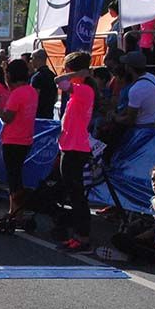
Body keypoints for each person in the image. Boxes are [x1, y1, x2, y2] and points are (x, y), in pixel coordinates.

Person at [98, 159, 155, 264]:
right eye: (153, 180)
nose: (154, 184)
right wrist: (137, 240)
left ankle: (129, 257)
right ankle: (133, 253)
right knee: (127, 236)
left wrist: (153, 199)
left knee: (119, 240)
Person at [53, 51, 98, 253]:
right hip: (69, 145)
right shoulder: (78, 92)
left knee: (77, 195)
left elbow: (59, 80)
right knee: (73, 193)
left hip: (76, 148)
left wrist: (77, 73)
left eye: (68, 68)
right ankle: (77, 235)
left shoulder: (85, 89)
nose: (65, 72)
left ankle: (83, 237)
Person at [0, 59, 38, 224]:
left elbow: (7, 118)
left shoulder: (17, 94)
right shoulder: (31, 91)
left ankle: (16, 212)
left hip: (13, 140)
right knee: (16, 176)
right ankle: (15, 211)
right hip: (26, 138)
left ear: (10, 75)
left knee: (14, 178)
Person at [115, 51, 155, 128]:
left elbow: (130, 120)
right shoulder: (152, 77)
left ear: (129, 67)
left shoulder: (136, 89)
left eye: (125, 64)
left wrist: (116, 118)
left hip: (143, 128)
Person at [30, 49, 58, 120]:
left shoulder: (37, 77)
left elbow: (33, 97)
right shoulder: (52, 75)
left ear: (38, 59)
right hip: (49, 114)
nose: (31, 61)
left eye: (32, 58)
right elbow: (55, 96)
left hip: (38, 116)